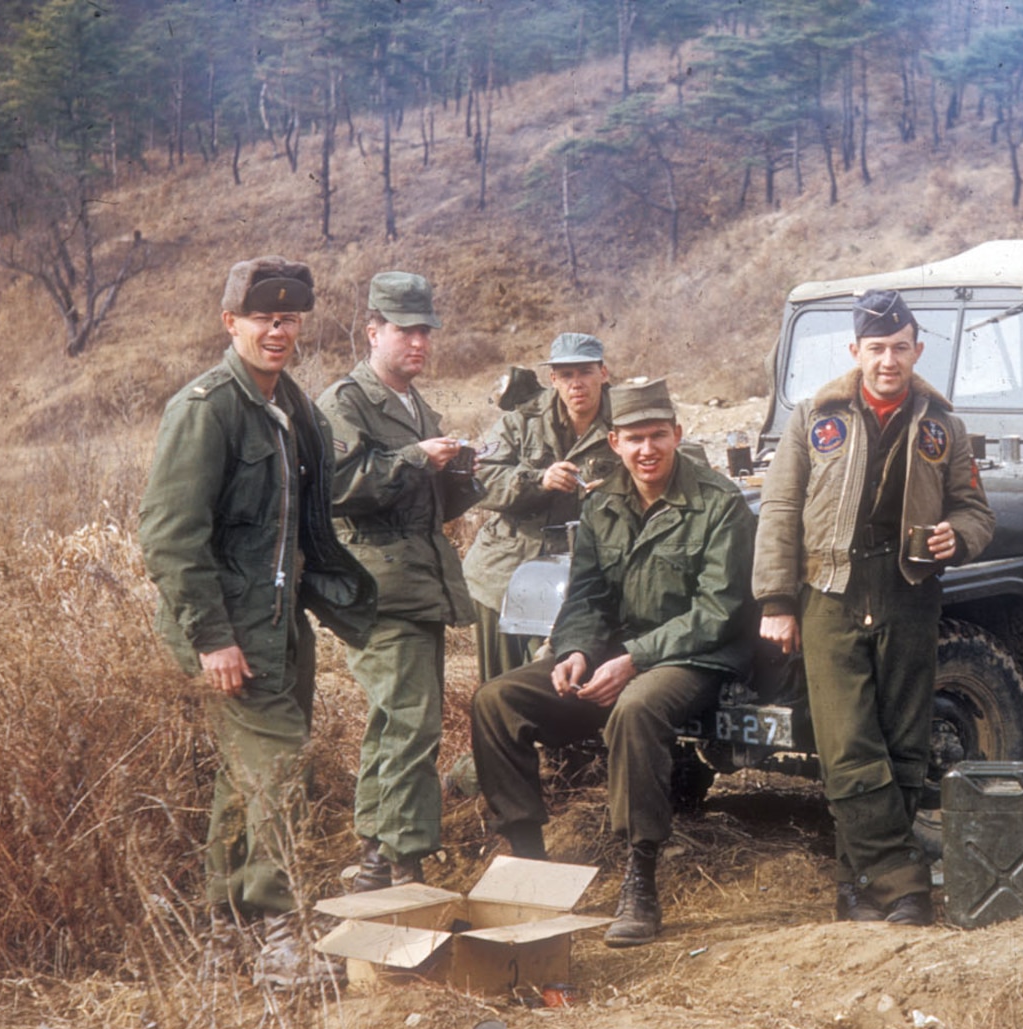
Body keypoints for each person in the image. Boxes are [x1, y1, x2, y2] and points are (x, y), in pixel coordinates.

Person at [139, 256, 377, 989]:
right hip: (230, 631)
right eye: (263, 319)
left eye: (290, 319)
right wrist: (212, 638)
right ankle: (280, 936)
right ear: (230, 323)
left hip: (280, 627)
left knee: (245, 782)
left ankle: (222, 933)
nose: (278, 331)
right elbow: (169, 536)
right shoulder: (207, 408)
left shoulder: (293, 406)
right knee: (279, 768)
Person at [470, 378, 755, 947]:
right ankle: (529, 862)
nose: (646, 450)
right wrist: (575, 649)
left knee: (634, 709)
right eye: (633, 439)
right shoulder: (603, 503)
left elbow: (717, 612)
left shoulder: (719, 503)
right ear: (613, 441)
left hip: (696, 656)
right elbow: (587, 597)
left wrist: (632, 659)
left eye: (657, 436)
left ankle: (639, 875)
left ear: (677, 434)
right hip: (617, 650)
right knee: (496, 700)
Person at [753, 290, 995, 927]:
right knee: (849, 745)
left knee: (904, 746)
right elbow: (780, 511)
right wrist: (778, 601)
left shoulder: (946, 427)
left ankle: (856, 887)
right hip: (831, 592)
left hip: (909, 592)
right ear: (855, 351)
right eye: (877, 348)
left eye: (900, 348)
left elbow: (976, 511)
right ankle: (905, 887)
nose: (889, 360)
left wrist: (957, 536)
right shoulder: (814, 418)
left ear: (918, 350)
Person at [317, 272, 484, 891]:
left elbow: (428, 509)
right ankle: (402, 862)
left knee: (395, 720)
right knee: (412, 721)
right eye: (404, 330)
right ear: (373, 331)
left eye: (425, 331)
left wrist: (463, 473)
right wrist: (417, 458)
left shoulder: (418, 407)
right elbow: (334, 489)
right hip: (379, 590)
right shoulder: (346, 402)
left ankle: (375, 861)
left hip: (418, 585)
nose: (418, 342)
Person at [464, 332, 620, 682]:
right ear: (553, 380)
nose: (576, 383)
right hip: (505, 568)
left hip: (582, 571)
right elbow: (479, 478)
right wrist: (538, 480)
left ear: (603, 373)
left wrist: (617, 490)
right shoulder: (522, 421)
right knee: (500, 685)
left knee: (558, 676)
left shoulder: (625, 420)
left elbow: (660, 466)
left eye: (585, 372)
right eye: (566, 375)